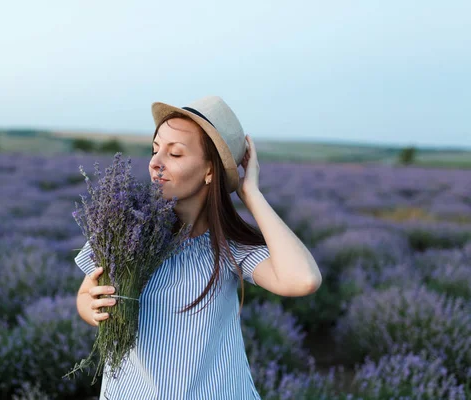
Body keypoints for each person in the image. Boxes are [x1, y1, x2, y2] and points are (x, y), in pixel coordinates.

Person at [74, 95, 322, 399]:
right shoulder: (126, 231)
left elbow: (303, 280)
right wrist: (89, 307)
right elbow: (87, 294)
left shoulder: (229, 247)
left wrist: (251, 194)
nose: (155, 163)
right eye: (155, 150)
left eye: (175, 154)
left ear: (210, 171)